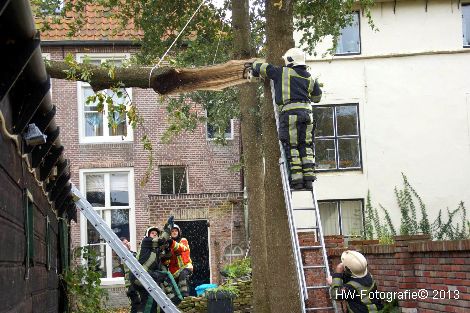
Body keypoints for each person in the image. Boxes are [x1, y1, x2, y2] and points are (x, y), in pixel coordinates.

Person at [251, 47, 322, 190]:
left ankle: (297, 181)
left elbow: (263, 67)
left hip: (290, 115)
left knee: (292, 146)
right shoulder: (310, 77)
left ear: (290, 60)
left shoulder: (282, 72)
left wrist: (253, 65)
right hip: (308, 115)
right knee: (306, 146)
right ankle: (308, 179)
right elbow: (317, 97)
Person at [127, 223, 182, 313]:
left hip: (140, 278)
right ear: (148, 235)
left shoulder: (154, 250)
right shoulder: (146, 241)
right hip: (141, 275)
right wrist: (168, 228)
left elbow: (167, 255)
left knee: (150, 301)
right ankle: (175, 298)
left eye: (156, 234)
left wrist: (167, 247)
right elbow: (161, 240)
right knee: (166, 275)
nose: (155, 235)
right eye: (152, 233)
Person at [163, 224, 193, 298]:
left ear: (179, 232)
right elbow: (166, 261)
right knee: (169, 284)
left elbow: (181, 248)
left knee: (183, 277)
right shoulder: (167, 245)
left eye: (176, 231)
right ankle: (175, 301)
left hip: (186, 267)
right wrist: (166, 252)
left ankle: (185, 298)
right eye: (172, 231)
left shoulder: (183, 240)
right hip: (174, 272)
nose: (174, 232)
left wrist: (171, 243)